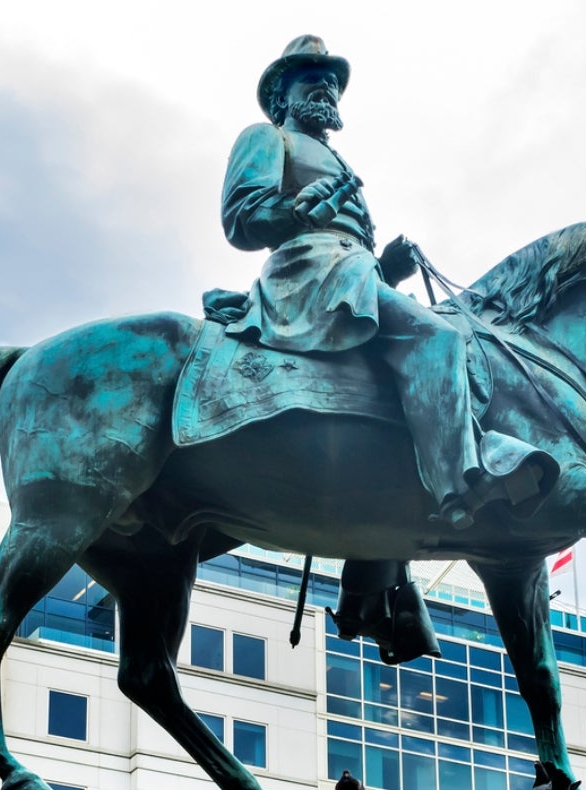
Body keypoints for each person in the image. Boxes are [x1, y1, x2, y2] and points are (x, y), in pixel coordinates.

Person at [220, 35, 554, 532]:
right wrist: (297, 208)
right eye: (314, 82)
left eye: (333, 85)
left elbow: (349, 243)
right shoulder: (267, 139)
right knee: (437, 337)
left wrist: (386, 267)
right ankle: (460, 484)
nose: (327, 91)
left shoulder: (338, 162)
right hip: (308, 274)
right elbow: (240, 218)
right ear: (281, 96)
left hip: (354, 275)